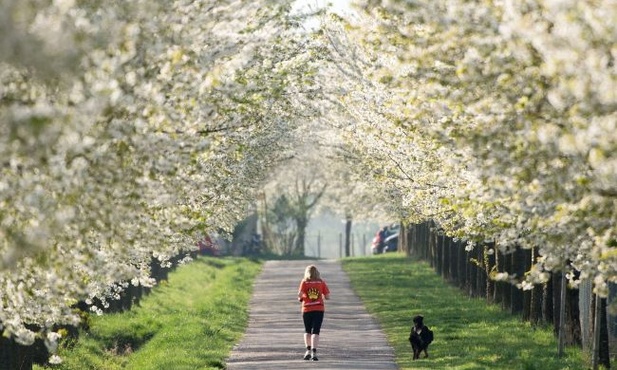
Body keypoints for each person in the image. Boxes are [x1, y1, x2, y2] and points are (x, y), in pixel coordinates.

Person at [297, 265, 330, 361]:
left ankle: (307, 350)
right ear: (317, 272)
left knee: (307, 330)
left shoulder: (304, 282)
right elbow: (327, 296)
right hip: (319, 309)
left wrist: (301, 298)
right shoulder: (321, 282)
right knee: (316, 331)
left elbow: (299, 295)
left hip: (306, 309)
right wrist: (322, 296)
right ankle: (314, 352)